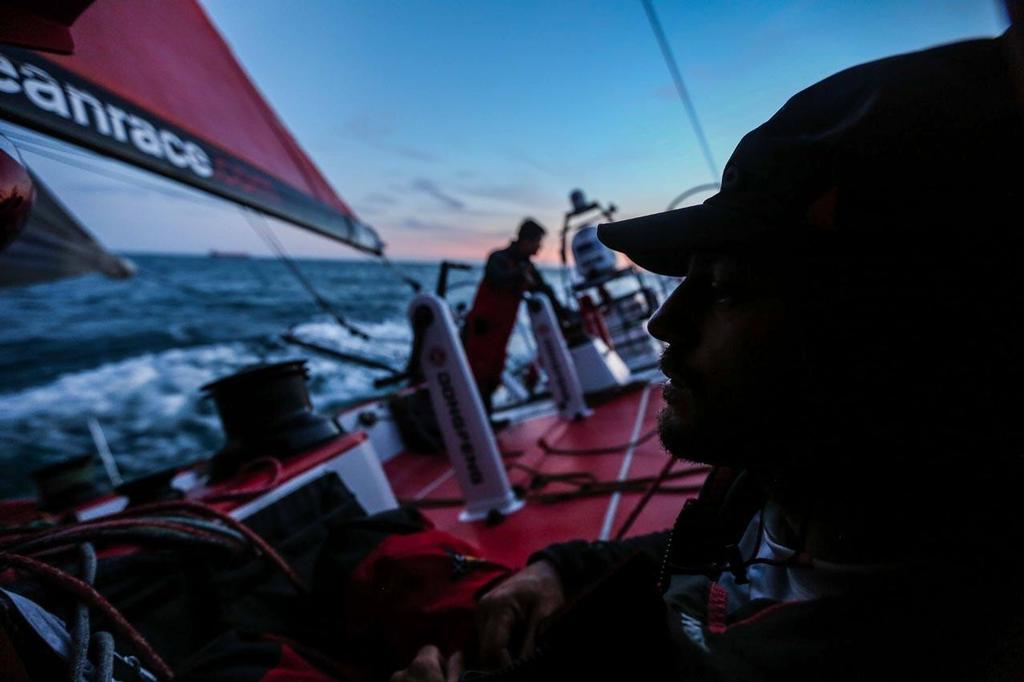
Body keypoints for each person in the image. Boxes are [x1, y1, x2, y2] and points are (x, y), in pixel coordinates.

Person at [393, 28, 1024, 682]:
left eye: (725, 288)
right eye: (684, 279)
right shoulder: (786, 487)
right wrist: (566, 567)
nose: (664, 319)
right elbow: (706, 547)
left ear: (898, 333)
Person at [462, 218, 559, 412]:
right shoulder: (498, 258)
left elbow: (543, 290)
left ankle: (486, 420)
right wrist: (520, 274)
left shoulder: (527, 267)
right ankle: (473, 420)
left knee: (492, 374)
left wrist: (563, 311)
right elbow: (497, 279)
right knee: (475, 374)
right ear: (527, 240)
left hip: (501, 332)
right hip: (482, 329)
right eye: (537, 243)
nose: (539, 248)